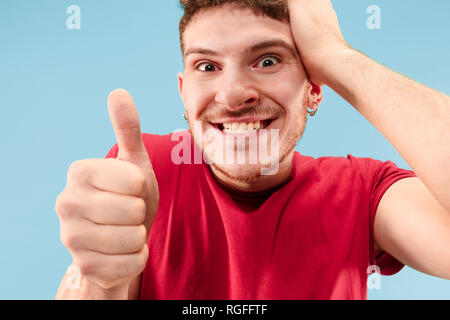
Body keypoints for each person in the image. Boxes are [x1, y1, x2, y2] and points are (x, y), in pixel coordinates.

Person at [54, 0, 450, 300]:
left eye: (266, 60)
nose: (232, 95)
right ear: (183, 90)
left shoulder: (363, 192)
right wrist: (98, 278)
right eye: (207, 67)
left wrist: (336, 55)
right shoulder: (144, 174)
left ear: (314, 87)